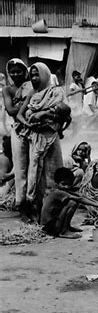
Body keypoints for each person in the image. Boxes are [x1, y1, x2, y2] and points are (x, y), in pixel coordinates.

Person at [16, 62, 66, 222]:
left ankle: (54, 210)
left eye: (37, 75)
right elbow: (19, 115)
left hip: (51, 137)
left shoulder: (56, 92)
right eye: (32, 75)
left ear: (45, 74)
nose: (35, 78)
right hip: (35, 138)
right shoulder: (32, 93)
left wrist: (42, 114)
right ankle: (35, 209)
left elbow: (62, 111)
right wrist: (28, 123)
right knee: (36, 174)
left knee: (52, 172)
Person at [41, 167, 98, 239]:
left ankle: (67, 227)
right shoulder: (58, 192)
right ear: (56, 184)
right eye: (63, 184)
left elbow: (81, 195)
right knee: (72, 203)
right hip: (50, 228)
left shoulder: (62, 190)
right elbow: (80, 199)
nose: (66, 187)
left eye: (69, 184)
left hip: (52, 224)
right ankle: (63, 231)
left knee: (73, 201)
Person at [2, 58, 32, 217]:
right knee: (20, 168)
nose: (15, 74)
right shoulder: (7, 90)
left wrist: (21, 106)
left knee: (34, 166)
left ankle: (34, 200)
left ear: (24, 71)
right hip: (19, 131)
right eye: (12, 72)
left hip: (34, 130)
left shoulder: (32, 86)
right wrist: (28, 104)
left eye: (18, 71)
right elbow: (10, 110)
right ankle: (21, 203)